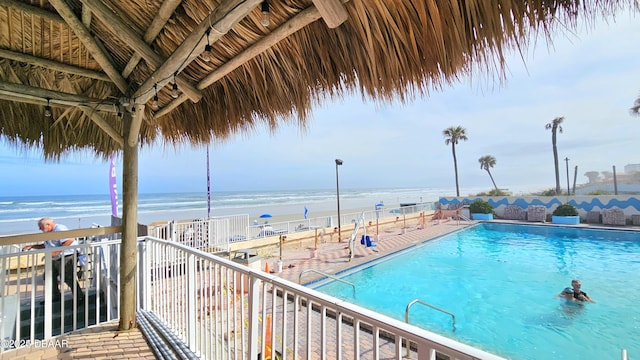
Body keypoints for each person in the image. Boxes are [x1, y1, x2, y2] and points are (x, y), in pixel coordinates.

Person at [22, 217, 84, 304]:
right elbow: (48, 245)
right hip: (56, 257)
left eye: (41, 227)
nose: (40, 229)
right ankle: (55, 296)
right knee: (48, 276)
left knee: (67, 277)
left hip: (67, 255)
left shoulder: (59, 229)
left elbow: (69, 240)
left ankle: (79, 298)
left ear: (48, 225)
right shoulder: (49, 233)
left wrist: (56, 251)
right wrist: (32, 246)